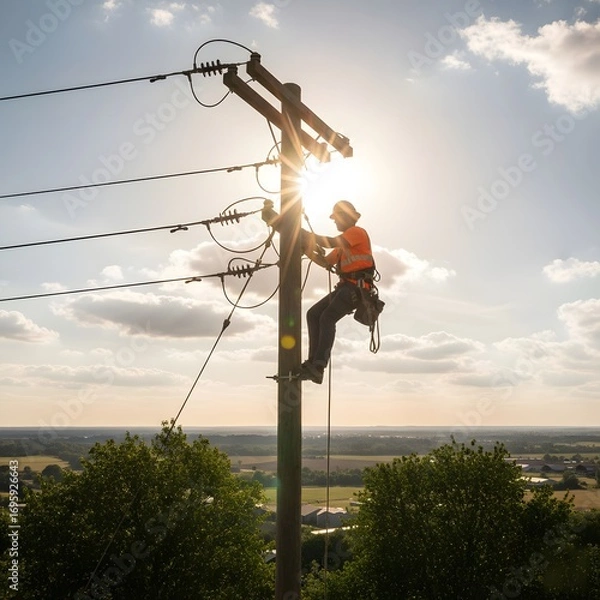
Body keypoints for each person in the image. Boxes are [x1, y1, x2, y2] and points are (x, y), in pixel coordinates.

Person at [262, 200, 375, 384]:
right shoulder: (342, 247)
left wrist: (304, 235)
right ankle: (313, 364)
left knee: (327, 318)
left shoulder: (356, 233)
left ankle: (318, 366)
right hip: (346, 288)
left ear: (345, 217)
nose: (335, 222)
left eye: (336, 218)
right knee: (313, 314)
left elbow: (329, 242)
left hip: (356, 289)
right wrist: (307, 248)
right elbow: (326, 262)